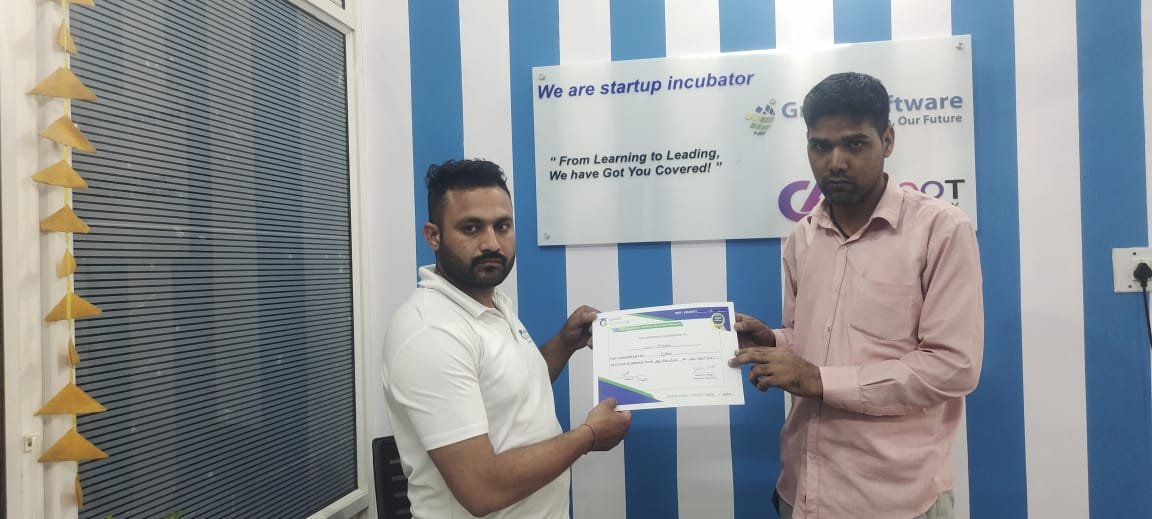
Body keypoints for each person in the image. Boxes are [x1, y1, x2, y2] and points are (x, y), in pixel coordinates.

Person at [729, 72, 984, 519]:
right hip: (802, 489)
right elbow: (809, 339)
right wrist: (773, 341)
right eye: (820, 146)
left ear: (887, 140)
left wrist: (819, 380)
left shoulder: (940, 230)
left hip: (894, 498)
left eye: (855, 144)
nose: (836, 162)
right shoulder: (803, 237)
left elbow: (953, 367)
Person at [382, 159, 632, 518]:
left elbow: (508, 391)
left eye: (502, 226)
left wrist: (564, 343)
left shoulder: (491, 302)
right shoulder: (431, 332)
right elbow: (482, 489)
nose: (491, 243)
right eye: (471, 228)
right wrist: (589, 435)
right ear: (433, 236)